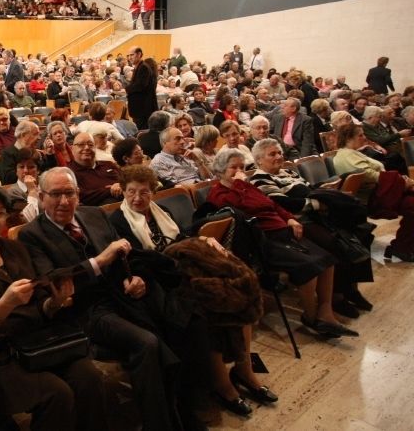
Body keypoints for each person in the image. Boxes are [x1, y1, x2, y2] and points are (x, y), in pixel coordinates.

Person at [19, 167, 190, 430]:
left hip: (121, 296)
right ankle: (161, 423)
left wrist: (132, 278)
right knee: (147, 342)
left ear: (78, 194)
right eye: (55, 194)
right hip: (84, 311)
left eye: (69, 193)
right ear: (41, 197)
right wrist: (99, 261)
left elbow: (123, 258)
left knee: (181, 321)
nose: (64, 202)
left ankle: (185, 408)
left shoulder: (94, 213)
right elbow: (52, 280)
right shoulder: (32, 234)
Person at [0, 185, 106, 431]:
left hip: (38, 341)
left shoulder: (14, 249)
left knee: (88, 378)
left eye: (1, 213)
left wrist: (54, 302)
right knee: (56, 394)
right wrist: (6, 303)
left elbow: (40, 305)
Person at [109, 164, 271, 416]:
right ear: (124, 191)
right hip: (161, 283)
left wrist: (201, 240)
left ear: (153, 192)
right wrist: (175, 257)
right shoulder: (118, 221)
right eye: (131, 192)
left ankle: (244, 368)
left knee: (241, 293)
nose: (137, 198)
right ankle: (222, 384)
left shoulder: (161, 210)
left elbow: (182, 237)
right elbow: (137, 260)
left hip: (184, 271)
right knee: (213, 308)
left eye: (144, 192)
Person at [206, 149, 357, 338]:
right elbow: (238, 209)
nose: (239, 171)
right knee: (309, 267)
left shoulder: (247, 186)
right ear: (220, 171)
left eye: (242, 167)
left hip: (283, 232)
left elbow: (272, 205)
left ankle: (325, 312)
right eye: (233, 168)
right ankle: (311, 317)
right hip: (262, 240)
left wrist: (290, 219)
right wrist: (238, 184)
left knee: (328, 260)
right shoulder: (218, 193)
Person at [249, 138, 375, 316]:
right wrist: (319, 204)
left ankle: (352, 289)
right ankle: (337, 297)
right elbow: (283, 203)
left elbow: (307, 188)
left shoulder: (288, 172)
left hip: (317, 215)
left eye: (279, 152)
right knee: (334, 243)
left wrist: (323, 188)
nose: (278, 156)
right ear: (259, 160)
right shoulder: (259, 179)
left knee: (359, 233)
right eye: (272, 154)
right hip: (297, 222)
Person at [333, 123, 414, 262]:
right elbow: (368, 175)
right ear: (348, 138)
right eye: (360, 135)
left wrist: (401, 181)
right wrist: (401, 181)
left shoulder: (354, 152)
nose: (364, 137)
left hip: (381, 191)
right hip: (370, 198)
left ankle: (403, 246)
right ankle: (401, 247)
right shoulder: (344, 156)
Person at [0, 120, 42, 184]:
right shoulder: (7, 154)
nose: (39, 138)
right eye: (35, 134)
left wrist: (50, 154)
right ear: (23, 135)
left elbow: (45, 172)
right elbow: (8, 179)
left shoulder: (35, 153)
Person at [125, 47, 158, 130]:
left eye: (132, 55)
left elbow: (140, 86)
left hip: (143, 109)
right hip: (140, 109)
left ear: (139, 54)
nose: (129, 57)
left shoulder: (143, 67)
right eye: (128, 55)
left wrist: (127, 89)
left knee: (142, 132)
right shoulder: (140, 67)